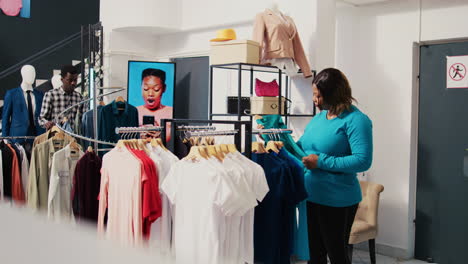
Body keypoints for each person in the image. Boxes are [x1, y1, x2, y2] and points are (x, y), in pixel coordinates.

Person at [298, 68, 373, 264]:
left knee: (337, 255)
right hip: (311, 194)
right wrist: (281, 142)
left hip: (337, 199)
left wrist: (321, 161)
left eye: (318, 95)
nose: (315, 99)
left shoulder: (356, 120)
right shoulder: (319, 118)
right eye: (314, 94)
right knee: (314, 255)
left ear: (333, 94)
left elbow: (362, 160)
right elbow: (303, 147)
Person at [39, 65, 84, 131]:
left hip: (73, 139)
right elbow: (41, 119)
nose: (73, 83)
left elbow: (82, 119)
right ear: (62, 80)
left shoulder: (79, 97)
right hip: (55, 138)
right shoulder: (50, 95)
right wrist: (47, 123)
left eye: (75, 80)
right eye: (69, 80)